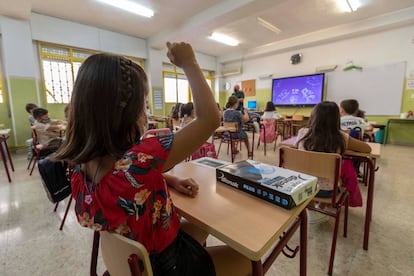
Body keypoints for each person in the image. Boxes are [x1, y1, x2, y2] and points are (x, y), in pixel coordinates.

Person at [54, 42, 251, 276]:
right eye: (144, 103)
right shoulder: (141, 159)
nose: (145, 111)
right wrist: (189, 63)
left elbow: (122, 183)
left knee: (202, 224)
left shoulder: (78, 165)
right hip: (166, 266)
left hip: (131, 261)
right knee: (248, 260)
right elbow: (209, 120)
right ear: (126, 112)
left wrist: (166, 178)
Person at [295, 102, 371, 216]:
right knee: (333, 177)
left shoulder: (302, 133)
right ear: (337, 119)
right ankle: (320, 208)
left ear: (313, 116)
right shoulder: (341, 137)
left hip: (302, 187)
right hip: (328, 192)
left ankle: (310, 210)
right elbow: (367, 149)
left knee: (310, 173)